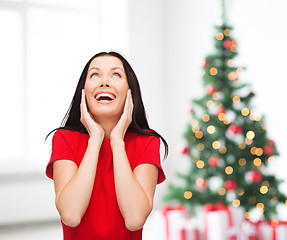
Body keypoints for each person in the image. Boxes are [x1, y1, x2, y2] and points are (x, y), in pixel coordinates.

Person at [45, 51, 168, 240]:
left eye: (116, 74)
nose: (104, 82)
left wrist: (117, 141)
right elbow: (70, 215)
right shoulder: (64, 138)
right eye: (95, 74)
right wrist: (95, 139)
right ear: (83, 91)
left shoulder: (148, 142)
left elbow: (135, 219)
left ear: (130, 91)